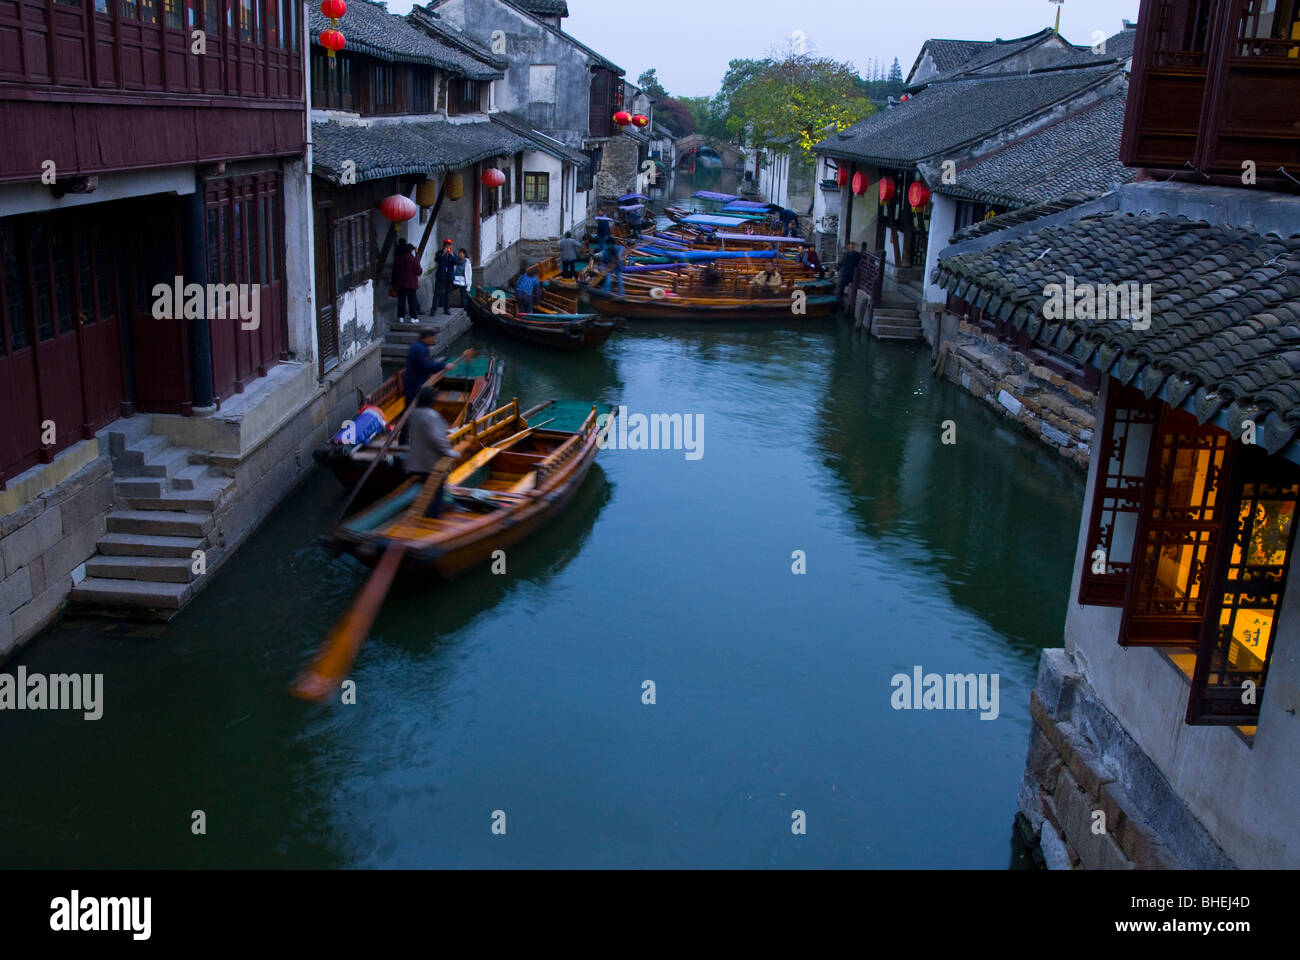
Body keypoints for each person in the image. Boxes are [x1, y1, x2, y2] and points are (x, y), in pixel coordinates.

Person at [404, 386, 460, 518]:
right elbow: (436, 440)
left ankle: (427, 512)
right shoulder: (431, 416)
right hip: (430, 462)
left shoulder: (414, 414)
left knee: (426, 489)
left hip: (417, 461)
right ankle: (432, 517)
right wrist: (450, 453)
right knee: (437, 490)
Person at [392, 240, 422, 323]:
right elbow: (419, 272)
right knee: (411, 301)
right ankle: (413, 317)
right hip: (411, 284)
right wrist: (417, 254)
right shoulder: (413, 259)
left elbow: (395, 272)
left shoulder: (399, 259)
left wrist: (394, 283)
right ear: (411, 251)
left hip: (401, 283)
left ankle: (400, 317)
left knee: (401, 301)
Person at [431, 238, 456, 316]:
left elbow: (457, 262)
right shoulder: (439, 253)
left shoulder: (453, 254)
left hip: (449, 277)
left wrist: (452, 255)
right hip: (441, 276)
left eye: (449, 245)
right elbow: (437, 260)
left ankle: (447, 309)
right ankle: (434, 309)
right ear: (444, 245)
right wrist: (443, 254)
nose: (448, 246)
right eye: (446, 244)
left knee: (448, 294)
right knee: (437, 293)